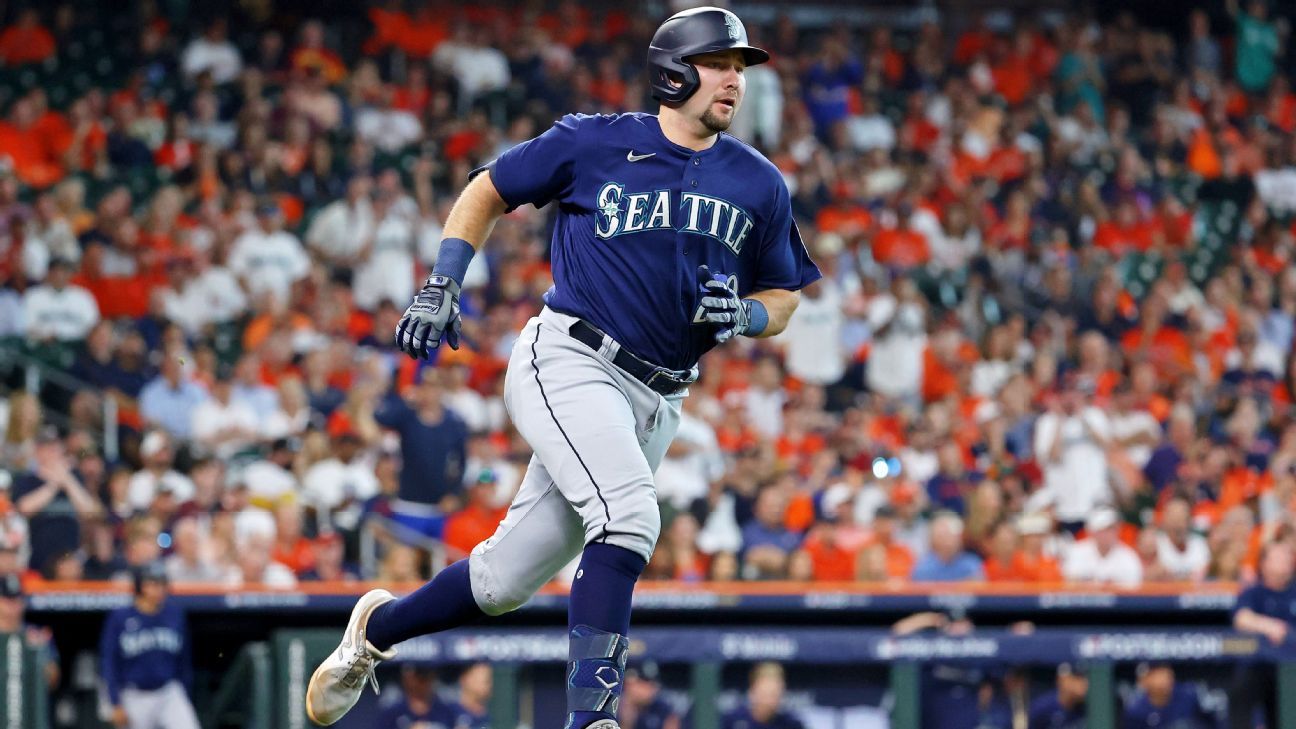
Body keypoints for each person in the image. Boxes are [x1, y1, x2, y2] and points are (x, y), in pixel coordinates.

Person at [305, 8, 819, 729]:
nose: (735, 77)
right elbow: (488, 189)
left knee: (503, 579)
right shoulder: (594, 141)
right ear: (674, 72)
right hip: (572, 357)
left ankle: (376, 633)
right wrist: (443, 281)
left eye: (741, 66)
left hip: (658, 397)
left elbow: (785, 293)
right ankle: (594, 719)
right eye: (719, 62)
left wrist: (751, 316)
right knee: (631, 516)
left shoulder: (758, 181)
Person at [99, 562, 199, 729]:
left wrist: (185, 692)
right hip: (133, 695)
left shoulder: (174, 614)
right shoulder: (120, 617)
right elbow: (109, 661)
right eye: (152, 583)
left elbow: (184, 660)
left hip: (168, 692)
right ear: (140, 586)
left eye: (161, 583)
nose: (158, 589)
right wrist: (115, 702)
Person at [1229, 540, 1296, 729]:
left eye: (1287, 557)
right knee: (1241, 688)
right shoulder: (1254, 591)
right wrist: (1270, 626)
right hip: (1258, 665)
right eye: (1278, 557)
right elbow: (1241, 618)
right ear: (1264, 563)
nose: (1286, 561)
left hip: (1292, 668)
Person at [1122, 662, 1221, 729]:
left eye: (1164, 674)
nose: (1163, 678)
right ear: (1143, 681)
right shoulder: (1136, 710)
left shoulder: (1189, 695)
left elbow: (1216, 721)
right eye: (1155, 675)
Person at [721, 662, 805, 729]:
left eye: (774, 694)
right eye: (766, 694)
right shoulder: (732, 720)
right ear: (752, 692)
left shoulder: (791, 724)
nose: (770, 701)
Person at [373, 664, 458, 728]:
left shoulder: (446, 711)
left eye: (427, 677)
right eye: (419, 677)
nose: (423, 683)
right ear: (406, 678)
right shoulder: (392, 713)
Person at [619, 660, 681, 729]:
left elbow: (672, 724)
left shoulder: (662, 709)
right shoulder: (612, 704)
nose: (649, 689)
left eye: (652, 685)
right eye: (643, 684)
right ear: (628, 684)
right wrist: (626, 722)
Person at [1028, 663, 1087, 729]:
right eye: (1077, 678)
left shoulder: (1089, 707)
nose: (1083, 683)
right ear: (1062, 679)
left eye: (1084, 678)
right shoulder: (1042, 708)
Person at [451, 662, 493, 729]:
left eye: (489, 680)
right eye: (485, 681)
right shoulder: (450, 712)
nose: (489, 685)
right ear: (465, 679)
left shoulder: (487, 715)